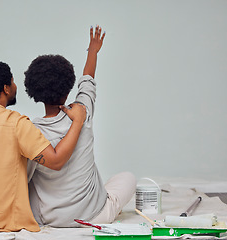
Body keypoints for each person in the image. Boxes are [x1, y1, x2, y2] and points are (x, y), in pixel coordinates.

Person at [0, 61, 86, 232]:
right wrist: (78, 122)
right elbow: (55, 161)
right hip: (3, 221)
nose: (15, 86)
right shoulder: (17, 123)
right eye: (13, 81)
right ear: (6, 88)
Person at [24, 25, 136, 228]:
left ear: (34, 93)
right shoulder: (83, 110)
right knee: (127, 178)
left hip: (50, 219)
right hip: (95, 215)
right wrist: (93, 50)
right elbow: (88, 79)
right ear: (67, 92)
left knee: (29, 173)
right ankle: (94, 198)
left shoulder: (29, 131)